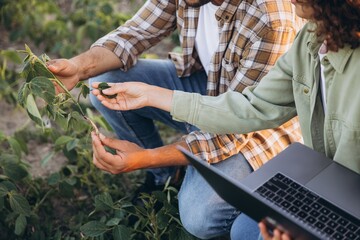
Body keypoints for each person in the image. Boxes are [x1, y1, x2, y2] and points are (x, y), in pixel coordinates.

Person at [91, 0, 360, 239]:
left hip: (347, 200)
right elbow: (253, 105)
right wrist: (152, 95)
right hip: (330, 185)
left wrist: (147, 156)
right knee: (243, 230)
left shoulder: (275, 19)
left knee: (205, 217)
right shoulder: (311, 37)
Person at [48, 0, 305, 238]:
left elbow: (237, 124)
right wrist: (78, 67)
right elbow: (135, 33)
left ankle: (264, 205)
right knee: (107, 83)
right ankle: (165, 177)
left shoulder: (271, 18)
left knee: (199, 216)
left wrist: (145, 157)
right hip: (211, 82)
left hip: (261, 124)